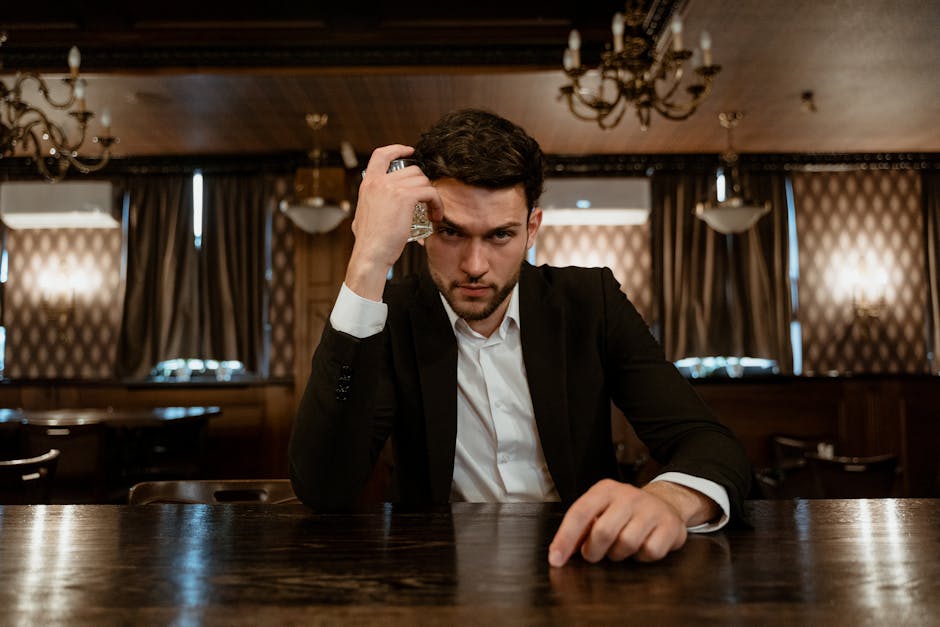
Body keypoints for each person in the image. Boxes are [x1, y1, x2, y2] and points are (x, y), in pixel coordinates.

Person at [288, 108, 751, 566]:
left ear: (531, 229)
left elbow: (710, 444)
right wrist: (367, 261)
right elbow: (323, 487)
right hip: (433, 578)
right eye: (451, 232)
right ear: (423, 227)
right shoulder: (390, 317)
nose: (474, 265)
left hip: (583, 567)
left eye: (500, 235)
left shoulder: (591, 302)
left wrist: (668, 502)